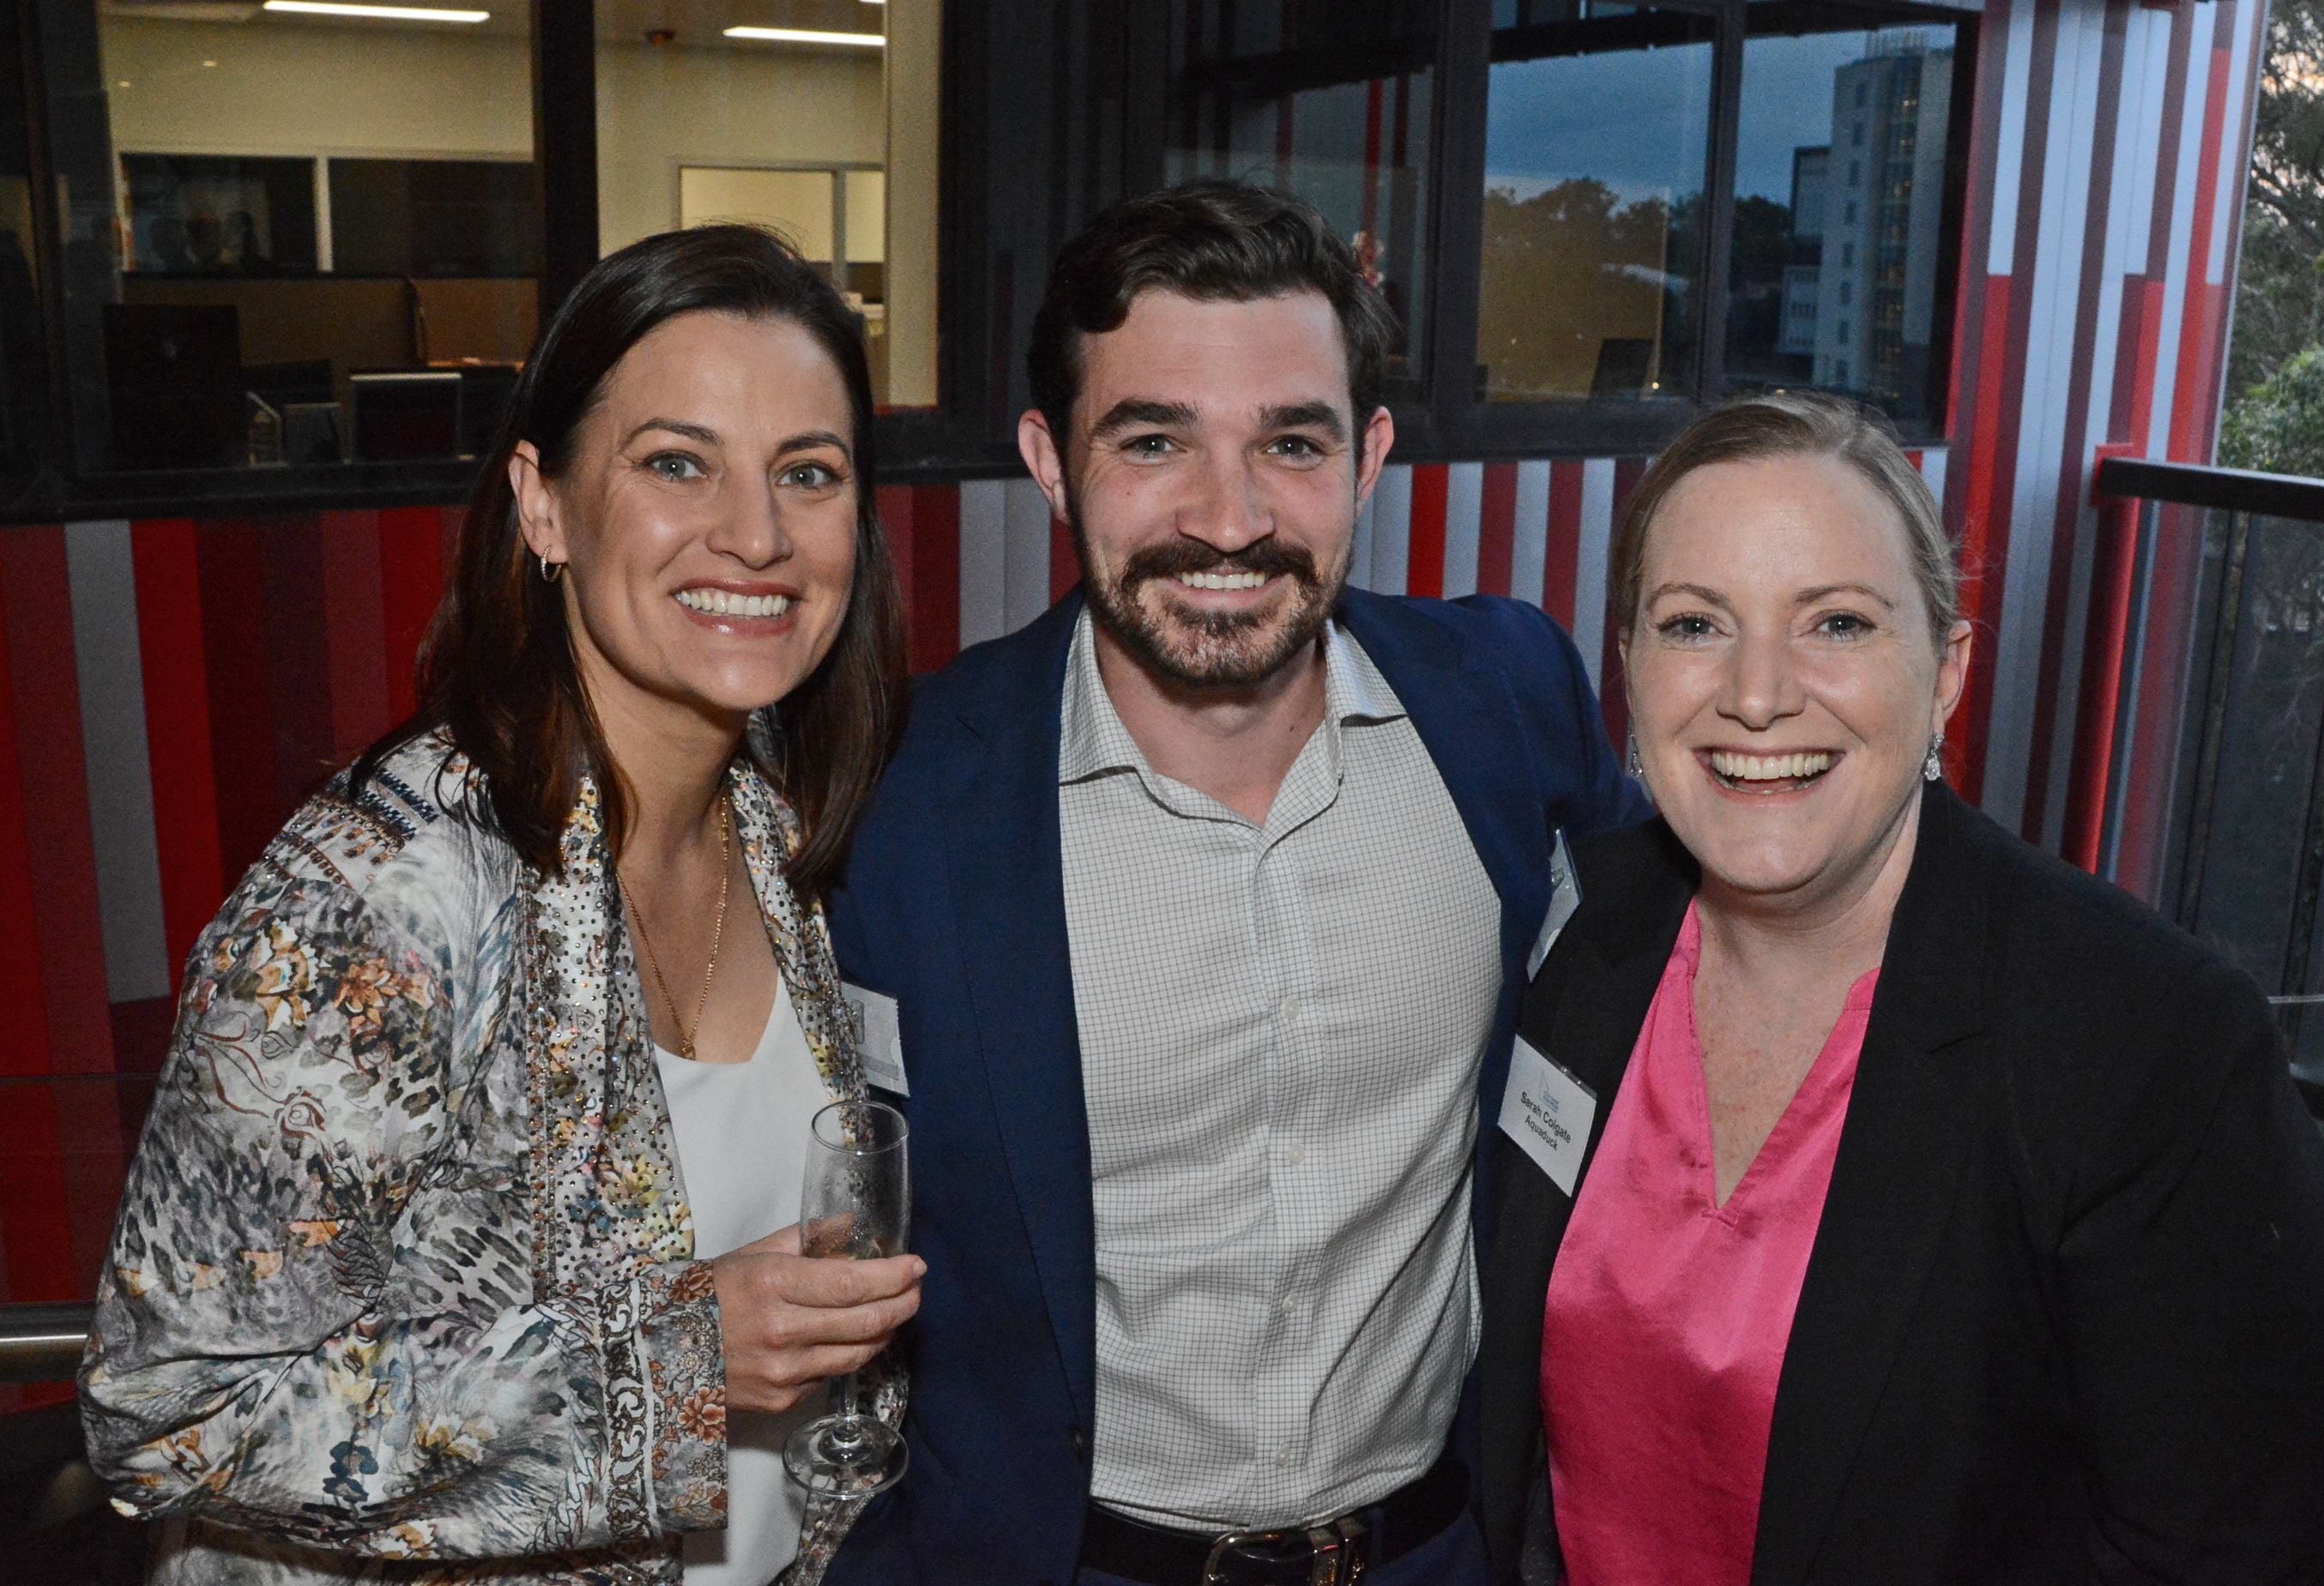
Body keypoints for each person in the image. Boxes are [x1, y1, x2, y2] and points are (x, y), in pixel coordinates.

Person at [822, 179, 1645, 1586]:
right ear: (1049, 455)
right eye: (1154, 440)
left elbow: (1694, 981)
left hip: (1438, 1553)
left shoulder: (1511, 704)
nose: (1229, 517)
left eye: (1292, 441)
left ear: (1371, 455)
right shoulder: (890, 790)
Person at [81, 225, 923, 1586]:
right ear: (544, 504)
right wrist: (664, 1371)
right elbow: (165, 1411)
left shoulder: (784, 830)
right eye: (675, 462)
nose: (757, 534)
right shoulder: (384, 887)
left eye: (808, 474)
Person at [1474, 392, 2324, 1585]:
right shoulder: (1594, 933)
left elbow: (2215, 1553)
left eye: (1835, 622)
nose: (1757, 693)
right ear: (1627, 662)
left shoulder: (2150, 1048)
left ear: (1944, 673)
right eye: (1693, 624)